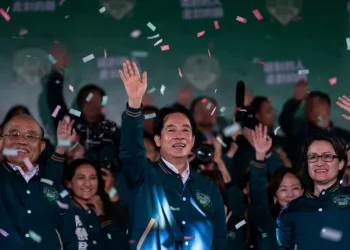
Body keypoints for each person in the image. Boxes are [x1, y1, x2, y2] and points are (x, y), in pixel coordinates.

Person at [118, 60, 227, 249]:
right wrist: (135, 104)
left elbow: (219, 242)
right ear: (158, 140)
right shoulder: (143, 177)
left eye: (185, 130)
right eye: (171, 130)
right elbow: (131, 150)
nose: (179, 136)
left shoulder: (208, 187)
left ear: (193, 141)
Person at [0, 114, 78, 250]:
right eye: (14, 134)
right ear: (1, 143)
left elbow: (69, 237)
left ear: (42, 147)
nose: (22, 141)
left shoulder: (54, 185)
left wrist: (62, 146)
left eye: (30, 136)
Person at [276, 132, 348, 249]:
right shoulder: (291, 209)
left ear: (340, 163)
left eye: (327, 156)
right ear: (307, 164)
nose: (319, 163)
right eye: (313, 157)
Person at [247, 124, 304, 250]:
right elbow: (258, 193)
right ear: (274, 197)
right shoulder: (266, 220)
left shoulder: (316, 220)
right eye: (283, 189)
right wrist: (260, 155)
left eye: (295, 188)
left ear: (302, 192)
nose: (290, 194)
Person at [63, 158, 127, 250]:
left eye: (92, 178)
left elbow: (119, 242)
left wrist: (101, 215)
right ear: (69, 183)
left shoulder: (105, 212)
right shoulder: (63, 211)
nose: (87, 184)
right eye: (81, 178)